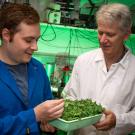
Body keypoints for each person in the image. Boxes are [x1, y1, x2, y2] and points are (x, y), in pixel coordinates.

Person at [64, 3, 135, 135]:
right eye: (100, 32)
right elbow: (70, 97)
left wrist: (117, 121)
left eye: (110, 34)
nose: (102, 40)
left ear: (126, 35)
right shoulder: (83, 61)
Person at [0, 2, 64, 135]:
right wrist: (34, 116)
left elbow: (46, 116)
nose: (35, 47)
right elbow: (36, 115)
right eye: (28, 40)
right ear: (6, 35)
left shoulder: (38, 69)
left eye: (37, 40)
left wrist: (49, 125)